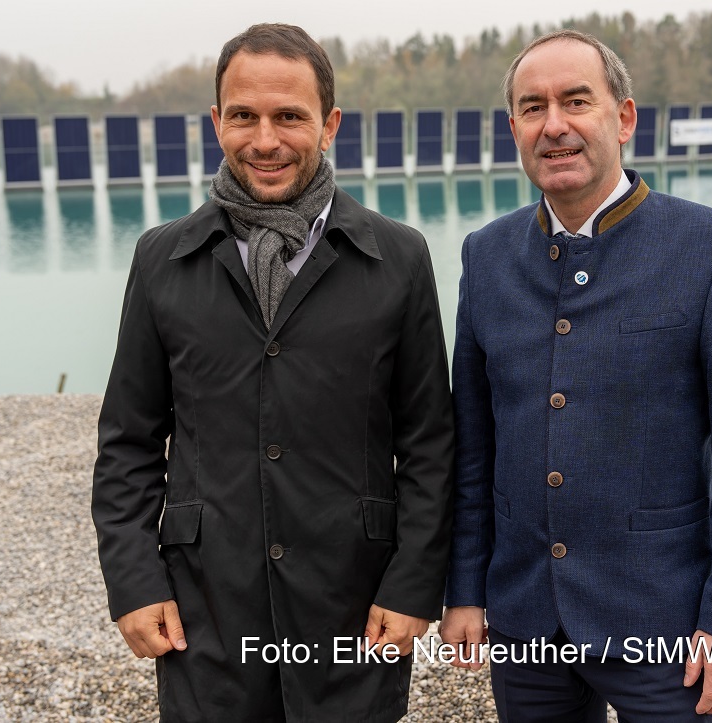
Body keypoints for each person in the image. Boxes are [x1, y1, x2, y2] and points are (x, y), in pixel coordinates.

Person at [91, 23, 453, 723]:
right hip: (206, 609)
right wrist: (134, 583)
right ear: (216, 122)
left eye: (289, 116)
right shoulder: (162, 259)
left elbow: (430, 444)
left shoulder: (400, 258)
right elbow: (128, 442)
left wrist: (413, 584)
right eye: (243, 116)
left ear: (329, 125)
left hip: (353, 605)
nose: (265, 140)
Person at [440, 30, 712, 721]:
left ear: (623, 118)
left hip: (667, 620)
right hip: (526, 617)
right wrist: (466, 589)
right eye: (533, 108)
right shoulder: (486, 256)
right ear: (514, 129)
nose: (554, 125)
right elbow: (474, 446)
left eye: (576, 101)